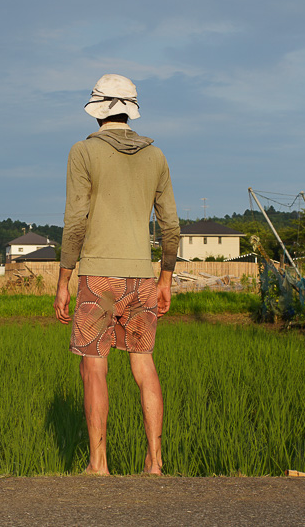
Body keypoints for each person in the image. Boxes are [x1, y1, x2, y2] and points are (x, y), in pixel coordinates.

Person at [52, 73, 180, 475]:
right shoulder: (156, 157)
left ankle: (98, 464)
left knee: (94, 366)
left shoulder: (82, 152)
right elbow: (171, 226)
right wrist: (165, 279)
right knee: (144, 366)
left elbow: (75, 221)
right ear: (130, 110)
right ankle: (155, 463)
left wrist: (63, 280)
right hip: (142, 279)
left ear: (97, 111)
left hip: (100, 280)